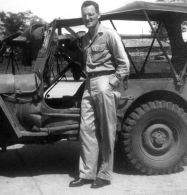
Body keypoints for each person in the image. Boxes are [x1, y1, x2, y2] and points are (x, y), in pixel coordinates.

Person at [69, 0, 130, 189]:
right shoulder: (85, 38)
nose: (87, 18)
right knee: (86, 130)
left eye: (90, 14)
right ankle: (87, 173)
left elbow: (124, 64)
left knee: (107, 130)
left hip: (105, 81)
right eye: (84, 15)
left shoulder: (109, 35)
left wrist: (111, 83)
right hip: (89, 83)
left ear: (98, 15)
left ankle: (104, 175)